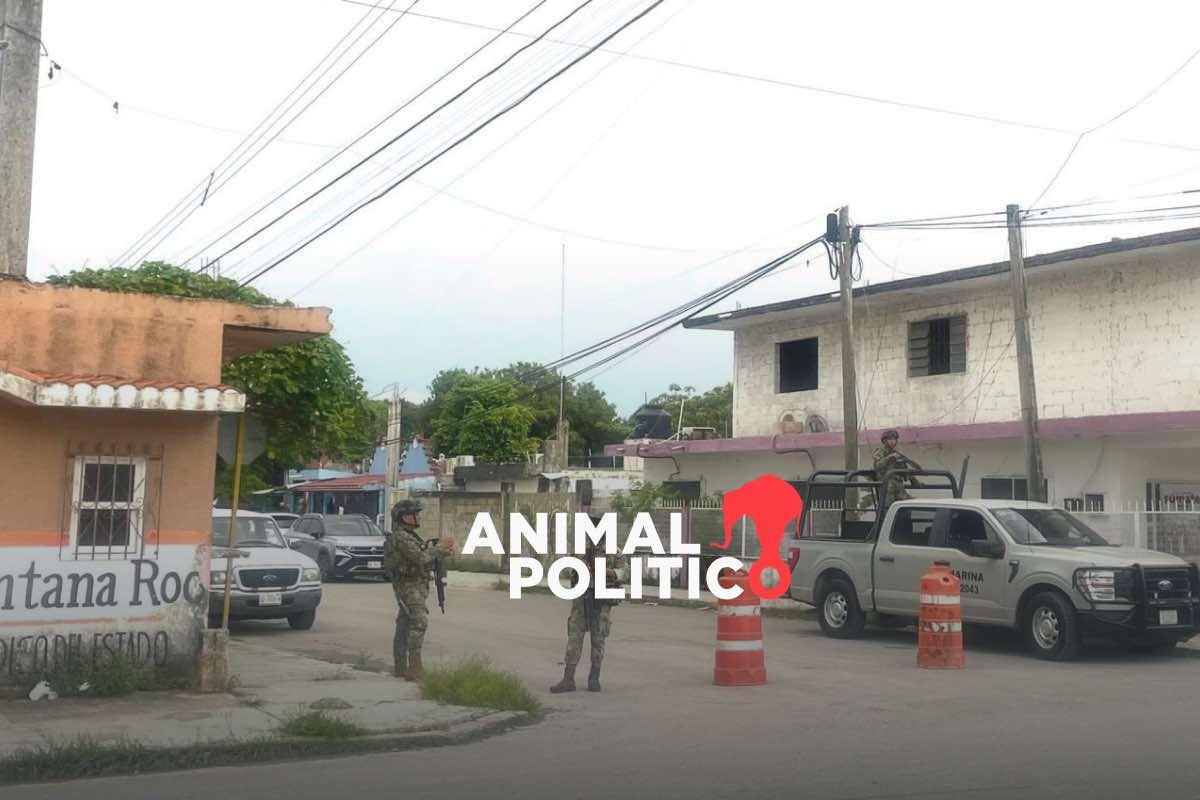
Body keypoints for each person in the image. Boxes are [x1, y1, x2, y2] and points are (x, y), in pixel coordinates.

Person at [550, 524, 624, 694]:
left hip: (601, 600)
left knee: (598, 639)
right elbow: (568, 569)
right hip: (581, 599)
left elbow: (625, 572)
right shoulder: (579, 550)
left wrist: (608, 572)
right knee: (574, 637)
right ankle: (568, 679)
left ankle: (594, 678)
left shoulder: (614, 552)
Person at [385, 499, 452, 680]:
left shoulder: (409, 536)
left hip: (415, 584)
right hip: (408, 586)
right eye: (415, 514)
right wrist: (439, 550)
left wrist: (436, 551)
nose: (418, 517)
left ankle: (401, 667)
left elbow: (421, 554)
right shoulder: (401, 537)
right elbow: (421, 557)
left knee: (404, 623)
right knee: (419, 621)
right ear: (405, 517)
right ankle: (414, 667)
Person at [872, 429, 920, 509]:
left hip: (898, 485)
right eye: (890, 439)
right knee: (888, 509)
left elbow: (904, 469)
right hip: (887, 485)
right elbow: (877, 466)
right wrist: (888, 459)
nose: (892, 441)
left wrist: (913, 479)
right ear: (884, 441)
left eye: (894, 439)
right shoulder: (879, 452)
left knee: (908, 506)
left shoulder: (897, 453)